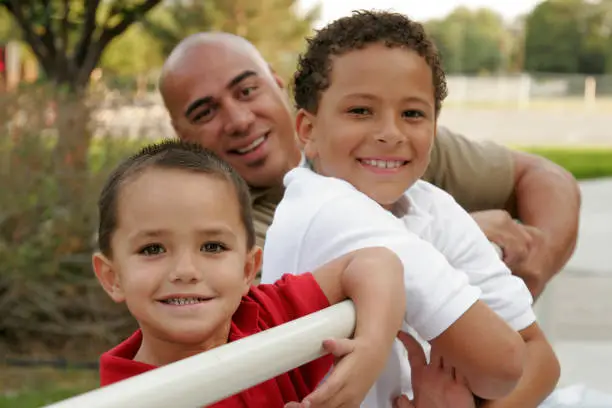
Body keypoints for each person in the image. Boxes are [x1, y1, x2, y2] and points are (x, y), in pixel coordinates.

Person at [261, 10, 559, 408]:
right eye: (360, 111)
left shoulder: (428, 204)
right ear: (308, 130)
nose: (390, 133)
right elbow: (503, 364)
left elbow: (538, 357)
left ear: (434, 130)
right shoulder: (325, 210)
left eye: (413, 114)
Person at [157, 31, 580, 300]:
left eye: (247, 90)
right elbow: (335, 292)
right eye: (205, 112)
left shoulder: (379, 143)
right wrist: (458, 236)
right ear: (180, 133)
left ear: (275, 80)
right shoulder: (215, 226)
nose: (239, 119)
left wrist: (538, 258)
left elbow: (546, 177)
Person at [92, 140, 408, 407]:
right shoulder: (125, 399)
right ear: (112, 277)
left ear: (247, 270)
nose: (185, 271)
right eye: (152, 249)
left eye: (213, 247)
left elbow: (376, 263)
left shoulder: (266, 319)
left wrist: (371, 350)